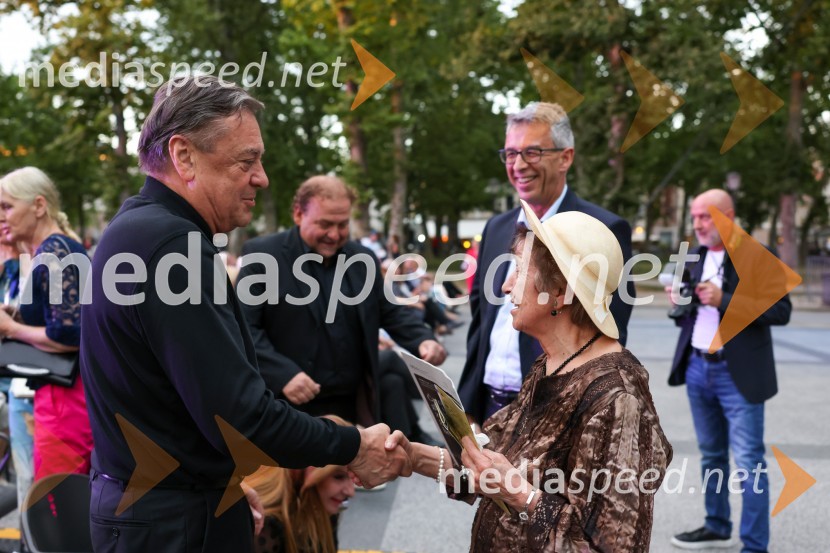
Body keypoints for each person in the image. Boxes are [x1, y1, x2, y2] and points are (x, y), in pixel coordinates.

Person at [80, 76, 410, 552]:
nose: (262, 177)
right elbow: (242, 417)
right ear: (184, 155)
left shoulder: (137, 231)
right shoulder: (175, 246)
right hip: (173, 522)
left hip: (157, 506)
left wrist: (223, 483)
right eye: (246, 160)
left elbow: (175, 404)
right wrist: (354, 446)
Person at [397, 203, 672, 551]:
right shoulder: (551, 363)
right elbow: (490, 460)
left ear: (560, 291)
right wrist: (408, 457)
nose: (506, 284)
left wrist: (521, 495)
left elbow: (614, 547)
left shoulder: (618, 399)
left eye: (519, 269)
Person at [458, 101, 635, 427]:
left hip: (552, 414)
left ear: (565, 157)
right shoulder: (496, 227)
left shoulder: (602, 228)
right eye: (511, 154)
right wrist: (468, 404)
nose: (519, 164)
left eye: (533, 152)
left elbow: (610, 334)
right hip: (485, 405)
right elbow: (480, 323)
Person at [237, 175, 446, 427]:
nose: (334, 235)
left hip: (353, 405)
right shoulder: (262, 255)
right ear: (298, 214)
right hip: (288, 405)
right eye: (325, 224)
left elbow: (389, 312)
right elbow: (243, 328)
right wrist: (283, 374)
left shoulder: (363, 259)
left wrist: (423, 339)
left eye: (342, 224)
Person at [667, 189, 791, 552]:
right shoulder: (695, 254)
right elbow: (689, 315)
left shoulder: (757, 256)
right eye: (694, 217)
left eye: (705, 216)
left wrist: (726, 300)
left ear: (728, 215)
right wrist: (680, 301)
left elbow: (781, 311)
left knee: (749, 461)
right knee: (712, 456)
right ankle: (717, 525)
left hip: (737, 375)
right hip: (697, 369)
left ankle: (754, 545)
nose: (698, 224)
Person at [0, 167, 93, 481]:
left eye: (7, 206)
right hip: (63, 394)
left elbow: (69, 334)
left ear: (38, 206)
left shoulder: (55, 251)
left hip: (66, 398)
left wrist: (11, 328)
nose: (1, 216)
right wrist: (14, 313)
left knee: (57, 501)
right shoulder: (56, 249)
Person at [244, 414, 356, 553]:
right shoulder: (265, 528)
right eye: (339, 477)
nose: (351, 492)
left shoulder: (323, 507)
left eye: (353, 478)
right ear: (310, 471)